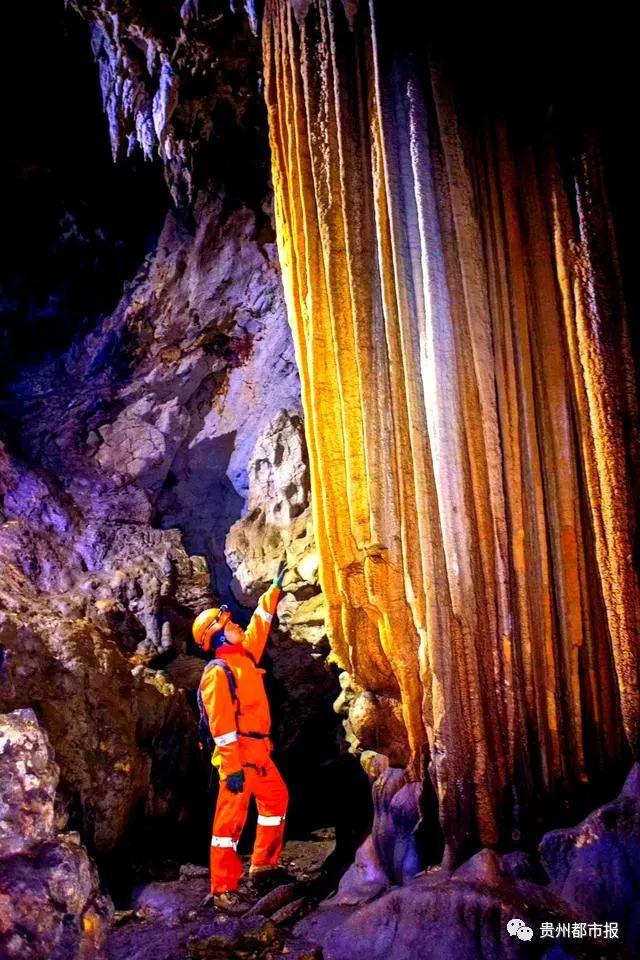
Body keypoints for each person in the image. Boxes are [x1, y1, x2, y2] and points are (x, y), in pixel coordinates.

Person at [192, 559, 288, 913]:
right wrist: (231, 767)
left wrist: (273, 591)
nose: (236, 624)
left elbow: (259, 627)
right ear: (217, 636)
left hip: (259, 752)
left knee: (275, 802)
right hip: (239, 757)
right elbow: (221, 727)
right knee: (228, 824)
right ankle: (223, 888)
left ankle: (263, 866)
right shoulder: (217, 673)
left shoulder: (243, 656)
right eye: (229, 623)